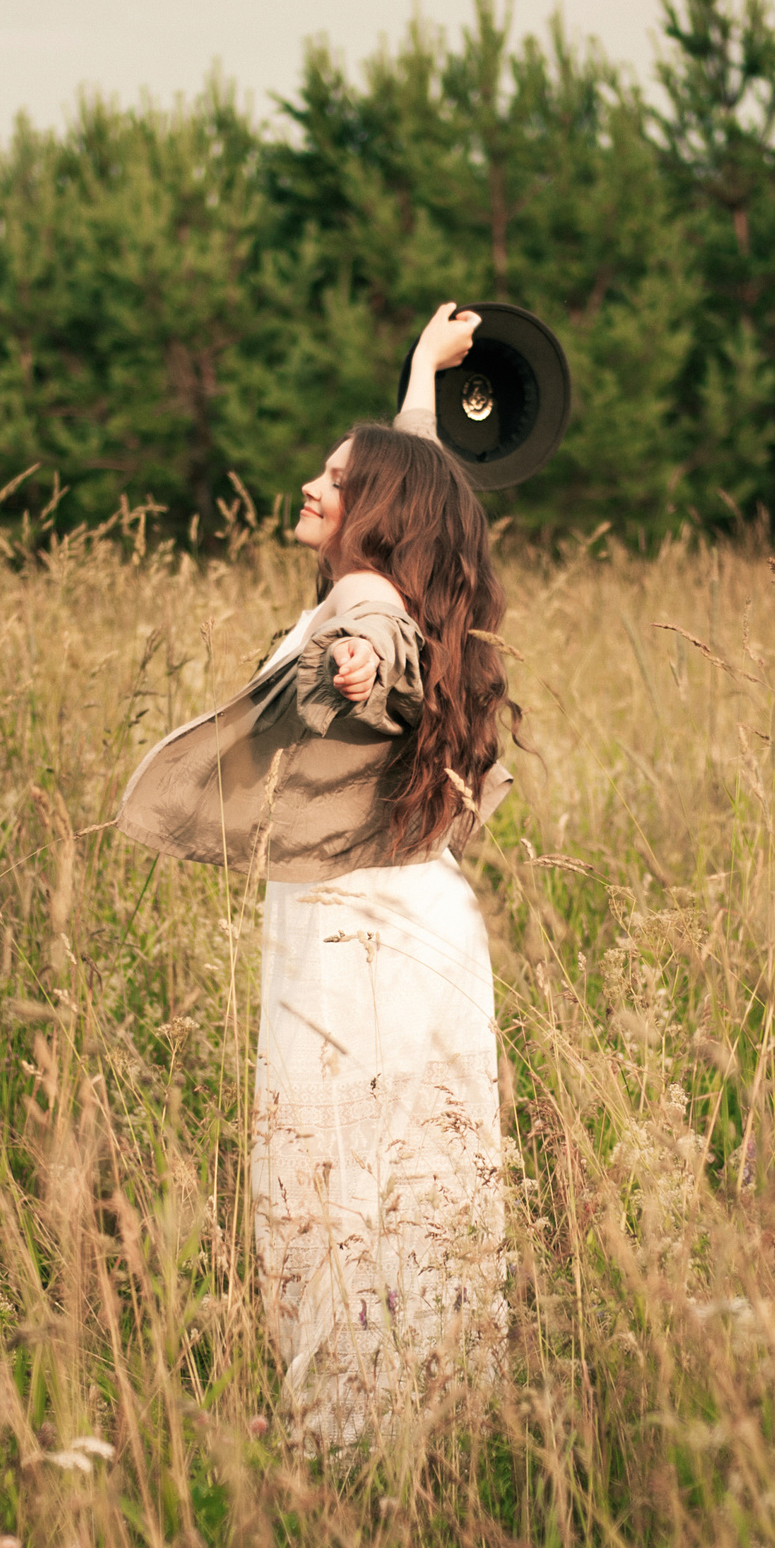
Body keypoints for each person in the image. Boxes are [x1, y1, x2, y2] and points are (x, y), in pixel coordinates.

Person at [115, 303, 518, 1447]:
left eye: (334, 481)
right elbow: (413, 521)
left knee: (348, 1174)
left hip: (359, 936)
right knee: (412, 1171)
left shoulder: (368, 606)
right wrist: (419, 383)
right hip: (407, 910)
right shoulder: (404, 578)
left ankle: (355, 1436)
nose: (310, 486)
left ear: (373, 515)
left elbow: (375, 646)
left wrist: (360, 672)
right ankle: (433, 1418)